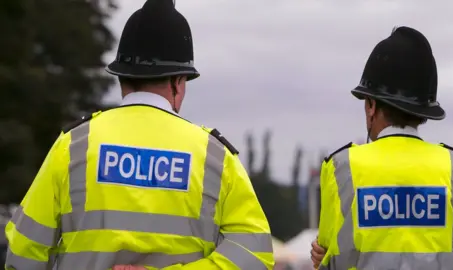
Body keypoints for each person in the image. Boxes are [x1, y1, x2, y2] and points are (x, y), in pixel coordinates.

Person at [4, 1, 274, 269]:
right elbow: (254, 256)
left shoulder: (74, 145)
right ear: (178, 83)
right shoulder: (215, 157)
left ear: (122, 77)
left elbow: (24, 248)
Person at [310, 26, 453, 269]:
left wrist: (321, 259)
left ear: (371, 106)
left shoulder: (340, 167)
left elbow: (330, 255)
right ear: (423, 112)